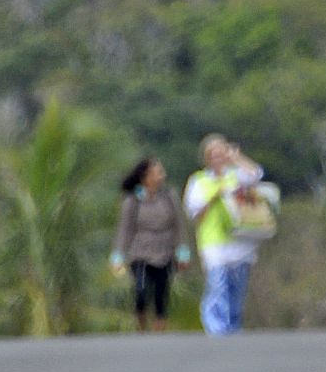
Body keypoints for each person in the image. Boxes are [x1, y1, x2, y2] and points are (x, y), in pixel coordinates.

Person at [183, 135, 267, 336]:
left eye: (222, 153)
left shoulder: (236, 176)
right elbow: (194, 210)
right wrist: (215, 195)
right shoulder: (199, 180)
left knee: (237, 288)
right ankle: (217, 328)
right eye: (213, 155)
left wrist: (236, 158)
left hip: (240, 240)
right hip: (213, 241)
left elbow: (256, 174)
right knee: (218, 284)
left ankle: (233, 327)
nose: (218, 158)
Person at [113, 157, 191, 333]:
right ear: (145, 176)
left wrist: (183, 253)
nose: (161, 175)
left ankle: (159, 332)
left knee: (161, 295)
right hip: (140, 253)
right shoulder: (133, 201)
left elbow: (179, 226)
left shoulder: (169, 197)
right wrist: (117, 257)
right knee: (141, 293)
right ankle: (140, 327)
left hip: (164, 252)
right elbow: (124, 230)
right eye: (157, 172)